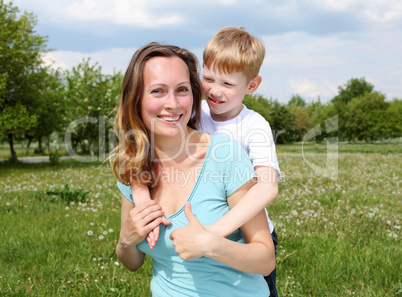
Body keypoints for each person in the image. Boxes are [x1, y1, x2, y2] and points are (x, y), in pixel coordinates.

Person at [110, 42, 275, 296]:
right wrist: (126, 240)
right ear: (136, 98)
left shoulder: (225, 154)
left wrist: (213, 244)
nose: (173, 104)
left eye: (182, 90)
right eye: (158, 91)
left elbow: (266, 260)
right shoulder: (132, 169)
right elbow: (132, 263)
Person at [200, 26, 281, 297]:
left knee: (256, 291)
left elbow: (268, 186)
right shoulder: (195, 113)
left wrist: (217, 230)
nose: (214, 90)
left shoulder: (253, 125)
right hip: (204, 228)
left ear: (252, 85)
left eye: (227, 84)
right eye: (208, 78)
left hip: (248, 233)